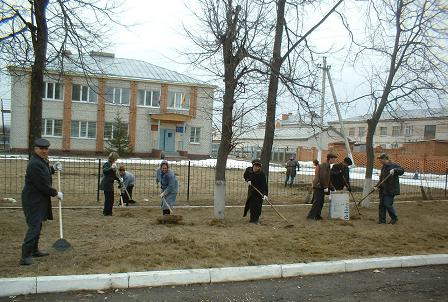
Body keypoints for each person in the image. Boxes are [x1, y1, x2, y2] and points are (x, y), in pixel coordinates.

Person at [20, 138, 63, 265]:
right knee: (34, 226)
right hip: (33, 200)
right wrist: (56, 193)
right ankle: (25, 256)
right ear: (36, 149)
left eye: (46, 149)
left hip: (39, 199)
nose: (45, 151)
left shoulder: (41, 161)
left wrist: (53, 169)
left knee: (38, 225)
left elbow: (44, 172)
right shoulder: (34, 164)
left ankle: (34, 250)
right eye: (42, 149)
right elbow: (42, 184)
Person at [375, 153, 404, 224]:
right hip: (383, 189)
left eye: (381, 159)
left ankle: (394, 218)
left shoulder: (393, 165)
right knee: (381, 205)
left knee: (387, 204)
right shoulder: (383, 167)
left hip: (391, 189)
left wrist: (395, 170)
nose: (380, 161)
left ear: (385, 159)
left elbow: (402, 170)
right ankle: (382, 221)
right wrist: (377, 186)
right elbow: (382, 179)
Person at [307, 153, 338, 220]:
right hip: (318, 186)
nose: (334, 160)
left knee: (321, 202)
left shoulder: (328, 165)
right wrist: (325, 187)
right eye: (334, 159)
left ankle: (317, 216)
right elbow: (322, 176)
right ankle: (311, 217)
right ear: (330, 159)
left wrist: (332, 188)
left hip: (321, 186)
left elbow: (328, 178)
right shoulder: (324, 165)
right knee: (317, 202)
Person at [243, 159, 268, 224]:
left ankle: (256, 219)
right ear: (253, 165)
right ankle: (252, 220)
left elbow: (264, 185)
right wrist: (248, 180)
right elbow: (245, 175)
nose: (257, 168)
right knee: (252, 205)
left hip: (260, 192)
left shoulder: (261, 174)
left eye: (258, 166)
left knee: (258, 206)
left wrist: (265, 194)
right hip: (252, 191)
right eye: (256, 166)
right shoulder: (249, 170)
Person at [101, 152, 120, 216]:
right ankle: (106, 213)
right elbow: (105, 171)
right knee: (108, 199)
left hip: (110, 184)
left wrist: (119, 179)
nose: (116, 160)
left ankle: (109, 212)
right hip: (106, 184)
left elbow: (113, 175)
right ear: (113, 158)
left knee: (111, 199)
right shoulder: (107, 164)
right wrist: (111, 168)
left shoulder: (112, 164)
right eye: (116, 158)